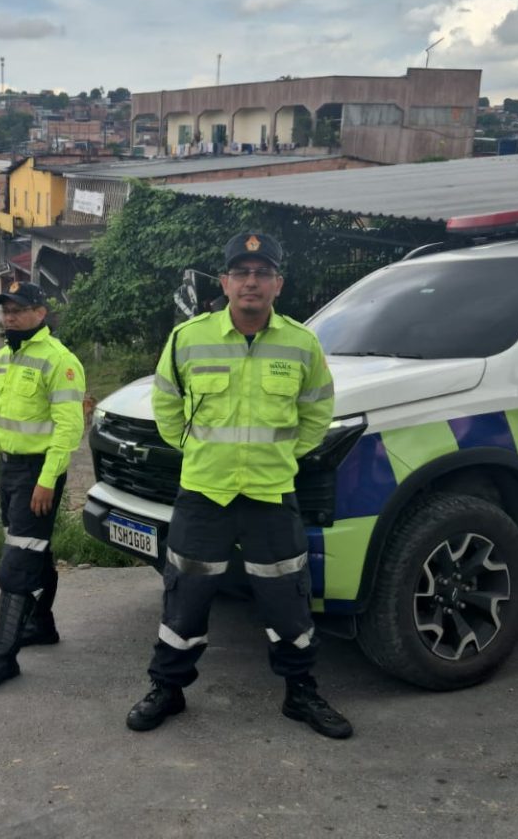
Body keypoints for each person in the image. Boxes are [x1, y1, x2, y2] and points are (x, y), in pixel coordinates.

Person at [125, 231, 351, 739]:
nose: (252, 282)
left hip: (271, 494)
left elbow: (317, 412)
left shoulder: (301, 343)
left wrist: (280, 455)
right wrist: (198, 448)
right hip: (205, 491)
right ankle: (168, 689)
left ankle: (301, 693)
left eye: (263, 273)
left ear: (278, 284)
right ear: (225, 282)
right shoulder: (188, 338)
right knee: (185, 595)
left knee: (288, 599)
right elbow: (165, 404)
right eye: (242, 273)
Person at [0, 281, 86, 688]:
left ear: (40, 313)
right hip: (9, 470)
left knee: (17, 563)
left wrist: (48, 480)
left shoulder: (60, 361)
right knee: (35, 548)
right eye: (5, 310)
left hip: (40, 472)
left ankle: (0, 657)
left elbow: (69, 428)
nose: (10, 316)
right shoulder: (2, 358)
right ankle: (41, 625)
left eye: (19, 309)